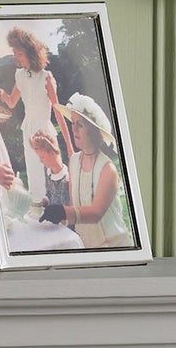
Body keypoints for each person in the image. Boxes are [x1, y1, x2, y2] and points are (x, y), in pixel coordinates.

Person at [41, 93, 136, 249]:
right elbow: (74, 205)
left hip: (114, 248)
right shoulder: (73, 161)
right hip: (86, 247)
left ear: (93, 131)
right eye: (72, 123)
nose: (73, 129)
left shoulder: (107, 169)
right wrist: (52, 215)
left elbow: (95, 214)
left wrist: (62, 212)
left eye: (80, 125)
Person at [0, 28, 68, 204]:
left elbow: (58, 111)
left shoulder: (46, 77)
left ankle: (59, 215)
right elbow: (11, 102)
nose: (17, 58)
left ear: (31, 52)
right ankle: (40, 218)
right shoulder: (20, 75)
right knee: (34, 177)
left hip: (45, 131)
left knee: (53, 174)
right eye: (15, 53)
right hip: (29, 132)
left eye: (20, 53)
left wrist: (70, 147)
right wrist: (2, 93)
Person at [0, 129, 82, 254]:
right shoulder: (48, 172)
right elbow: (50, 194)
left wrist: (53, 213)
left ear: (52, 153)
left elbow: (68, 209)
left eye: (42, 157)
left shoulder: (67, 179)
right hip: (51, 223)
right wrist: (43, 201)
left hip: (64, 226)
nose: (40, 161)